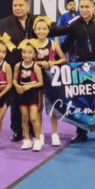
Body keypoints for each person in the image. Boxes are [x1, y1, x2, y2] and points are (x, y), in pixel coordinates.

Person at [51, 0, 95, 143]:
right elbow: (67, 43)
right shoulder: (75, 24)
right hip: (79, 66)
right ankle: (80, 132)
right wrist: (54, 58)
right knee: (79, 100)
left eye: (87, 6)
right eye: (82, 7)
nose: (84, 9)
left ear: (93, 7)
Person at [0, 0, 36, 142]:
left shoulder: (36, 20)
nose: (17, 8)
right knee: (15, 102)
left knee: (33, 102)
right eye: (15, 5)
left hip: (33, 68)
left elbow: (53, 31)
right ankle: (17, 130)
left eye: (20, 5)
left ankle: (33, 130)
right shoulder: (4, 23)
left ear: (28, 6)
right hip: (13, 69)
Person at [33, 15, 67, 146]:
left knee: (53, 106)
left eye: (44, 29)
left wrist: (54, 63)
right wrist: (38, 63)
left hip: (51, 78)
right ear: (34, 30)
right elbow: (26, 59)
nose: (41, 31)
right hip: (36, 79)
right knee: (39, 107)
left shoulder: (53, 44)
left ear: (48, 30)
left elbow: (63, 59)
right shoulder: (31, 44)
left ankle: (54, 133)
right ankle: (40, 134)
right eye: (39, 29)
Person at [13, 39, 44, 151]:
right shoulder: (18, 66)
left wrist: (29, 86)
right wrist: (17, 86)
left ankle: (38, 139)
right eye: (24, 52)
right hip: (22, 94)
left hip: (33, 95)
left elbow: (41, 82)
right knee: (24, 117)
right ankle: (26, 140)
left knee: (34, 118)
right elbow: (14, 80)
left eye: (30, 52)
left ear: (34, 55)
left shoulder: (35, 67)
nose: (26, 55)